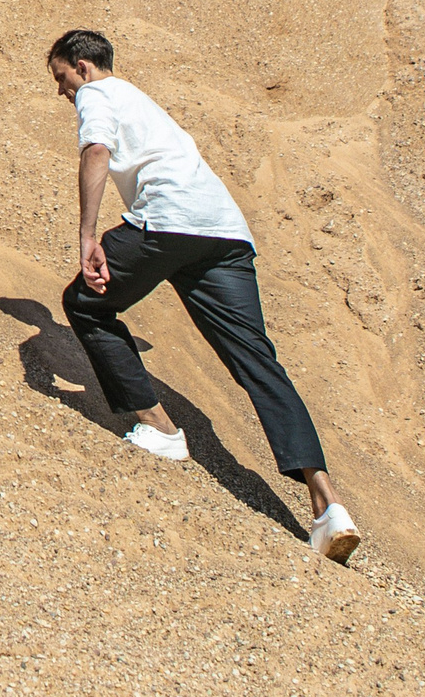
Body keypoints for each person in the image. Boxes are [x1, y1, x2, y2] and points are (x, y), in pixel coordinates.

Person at [45, 28, 361, 562]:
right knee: (258, 361)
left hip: (168, 222)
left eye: (61, 79)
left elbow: (96, 150)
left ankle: (160, 429)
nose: (61, 92)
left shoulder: (98, 94)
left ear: (82, 65)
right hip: (226, 234)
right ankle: (327, 506)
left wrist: (88, 237)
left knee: (84, 302)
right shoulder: (142, 101)